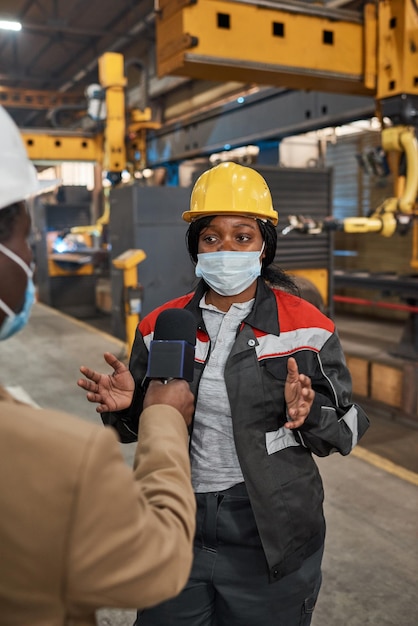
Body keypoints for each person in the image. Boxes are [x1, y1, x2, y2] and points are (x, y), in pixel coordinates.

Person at [78, 161, 370, 626]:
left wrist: (308, 414)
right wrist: (129, 406)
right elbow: (135, 430)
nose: (225, 248)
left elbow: (347, 431)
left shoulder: (307, 327)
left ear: (264, 246)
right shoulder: (162, 326)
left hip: (268, 530)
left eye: (242, 236)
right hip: (177, 519)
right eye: (211, 237)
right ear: (196, 246)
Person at [0, 104, 196, 625]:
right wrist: (161, 415)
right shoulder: (54, 459)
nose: (31, 255)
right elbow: (160, 562)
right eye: (23, 235)